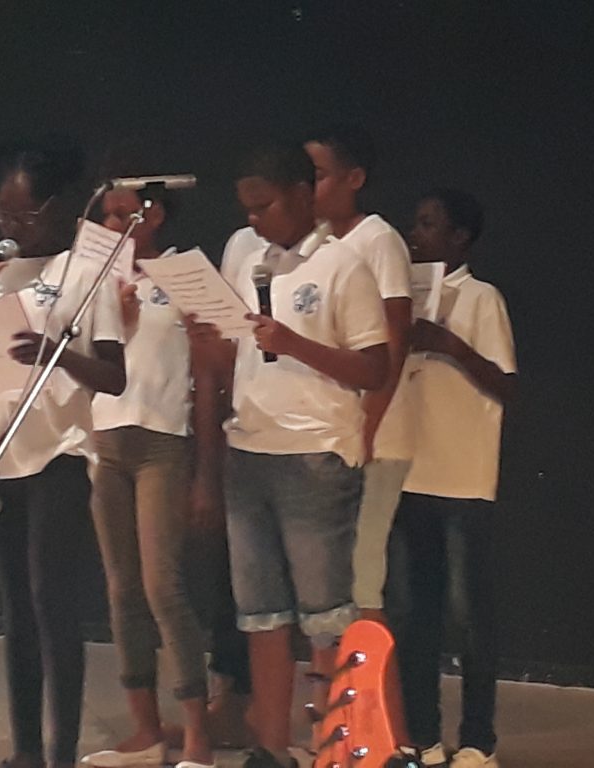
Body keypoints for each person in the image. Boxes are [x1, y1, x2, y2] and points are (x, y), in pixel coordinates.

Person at [189, 143, 389, 768]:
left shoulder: (343, 265)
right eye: (247, 210)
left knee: (326, 616)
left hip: (315, 456)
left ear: (303, 195)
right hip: (250, 450)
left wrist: (295, 343)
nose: (254, 220)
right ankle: (271, 749)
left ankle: (336, 748)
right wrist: (207, 342)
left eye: (265, 206)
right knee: (261, 615)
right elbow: (239, 362)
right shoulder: (251, 263)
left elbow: (375, 367)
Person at [0, 138, 127, 768]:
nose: (10, 226)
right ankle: (25, 752)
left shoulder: (87, 269)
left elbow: (114, 375)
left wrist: (56, 355)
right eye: (1, 213)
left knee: (52, 604)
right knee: (15, 609)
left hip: (59, 451)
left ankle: (61, 751)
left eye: (24, 214)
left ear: (58, 206)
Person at [80, 180, 215, 768]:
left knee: (163, 586)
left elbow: (209, 371)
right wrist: (119, 320)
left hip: (163, 441)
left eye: (122, 215)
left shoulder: (186, 274)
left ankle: (197, 737)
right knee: (122, 588)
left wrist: (206, 471)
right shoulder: (92, 280)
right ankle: (145, 730)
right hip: (106, 441)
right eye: (105, 216)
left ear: (153, 214)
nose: (112, 226)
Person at [384, 189, 516, 768]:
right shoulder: (402, 299)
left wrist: (449, 345)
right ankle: (424, 734)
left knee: (470, 615)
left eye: (428, 224)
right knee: (417, 613)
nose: (415, 234)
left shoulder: (481, 298)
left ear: (460, 237)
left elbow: (506, 384)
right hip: (413, 472)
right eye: (415, 223)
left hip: (464, 478)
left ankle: (479, 739)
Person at [304, 124, 414, 623]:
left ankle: (370, 673)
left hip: (376, 432)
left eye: (319, 175)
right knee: (332, 575)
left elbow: (395, 341)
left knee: (362, 569)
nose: (309, 186)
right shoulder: (314, 244)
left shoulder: (378, 240)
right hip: (334, 430)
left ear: (354, 178)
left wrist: (368, 426)